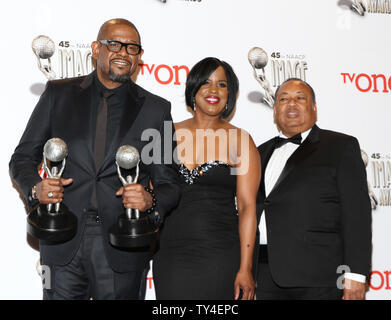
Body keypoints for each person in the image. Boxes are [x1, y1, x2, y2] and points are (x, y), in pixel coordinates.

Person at [9, 18, 180, 300]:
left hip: (124, 242)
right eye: (114, 44)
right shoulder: (58, 94)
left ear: (139, 57)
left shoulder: (154, 110)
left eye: (132, 48)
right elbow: (22, 158)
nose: (123, 52)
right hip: (61, 238)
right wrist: (34, 189)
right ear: (95, 49)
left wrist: (151, 200)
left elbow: (169, 181)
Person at [153, 57, 261, 300]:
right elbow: (152, 192)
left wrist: (245, 267)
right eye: (206, 83)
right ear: (194, 89)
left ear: (230, 94)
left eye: (222, 85)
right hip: (170, 253)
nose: (214, 91)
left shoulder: (241, 141)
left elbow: (246, 207)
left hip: (221, 253)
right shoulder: (166, 133)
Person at [255, 78, 372, 300]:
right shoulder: (258, 152)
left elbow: (356, 215)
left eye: (300, 98)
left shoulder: (341, 146)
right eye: (283, 99)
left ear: (314, 107)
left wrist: (356, 273)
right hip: (263, 276)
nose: (291, 104)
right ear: (275, 109)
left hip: (318, 278)